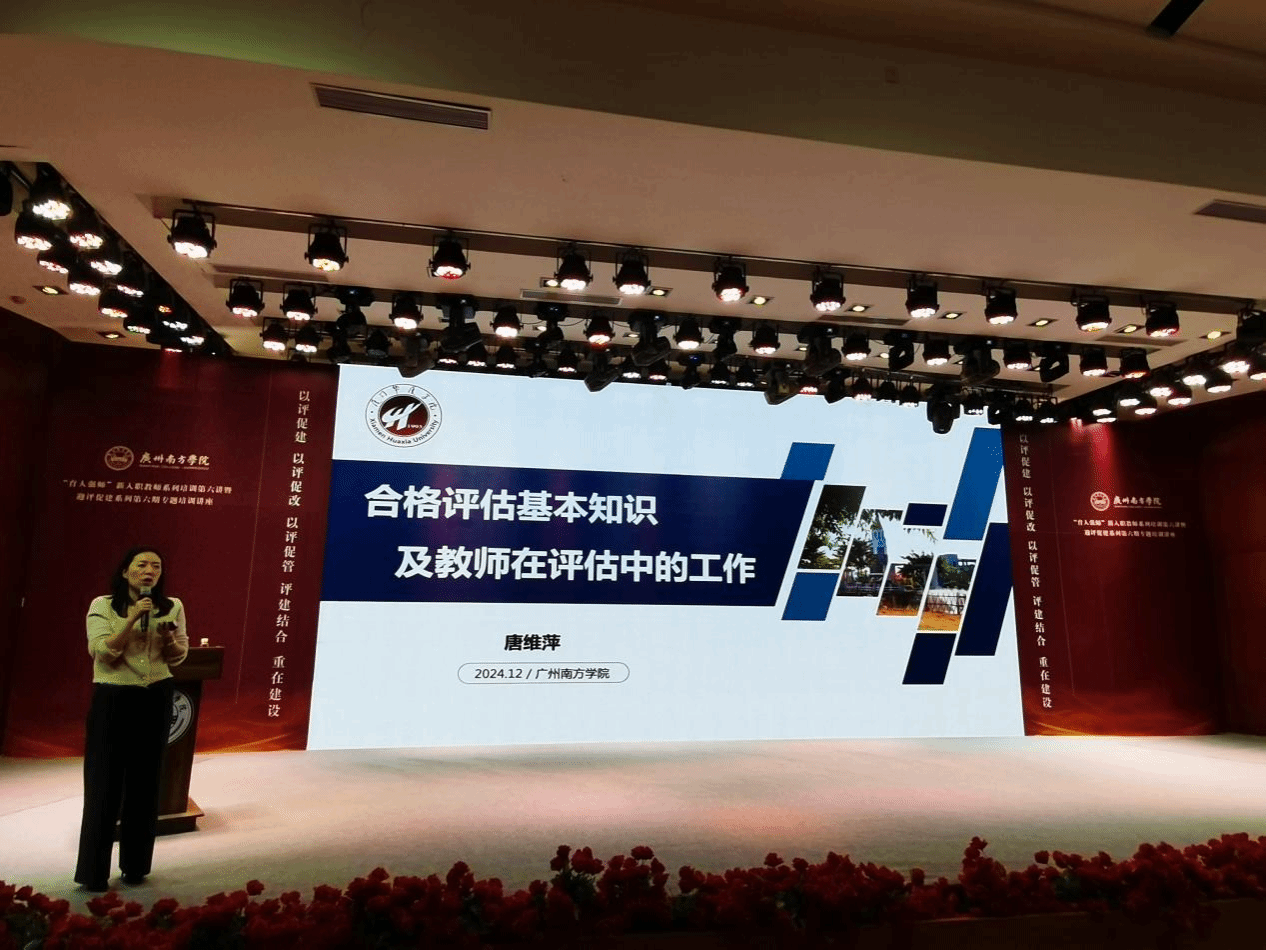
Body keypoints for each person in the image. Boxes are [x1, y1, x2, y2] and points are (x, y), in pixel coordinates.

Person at [74, 546, 189, 892]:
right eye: (141, 565)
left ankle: (136, 866)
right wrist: (131, 619)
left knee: (146, 783)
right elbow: (102, 652)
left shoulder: (173, 606)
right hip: (114, 697)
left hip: (156, 695)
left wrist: (168, 639)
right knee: (103, 784)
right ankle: (93, 872)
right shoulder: (102, 605)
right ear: (125, 571)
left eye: (156, 566)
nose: (149, 571)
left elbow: (179, 656)